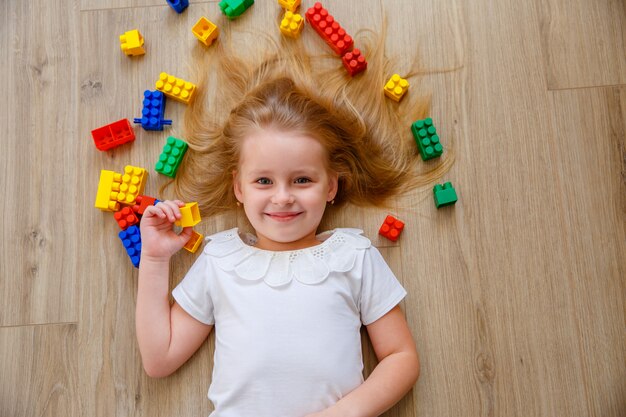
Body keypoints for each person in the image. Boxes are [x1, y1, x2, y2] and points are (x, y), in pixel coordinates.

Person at [136, 18, 452, 417]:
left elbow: (401, 357)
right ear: (239, 189)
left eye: (302, 179)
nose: (282, 197)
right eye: (264, 180)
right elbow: (158, 359)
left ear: (331, 187)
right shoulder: (219, 259)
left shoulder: (353, 255)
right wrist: (155, 259)